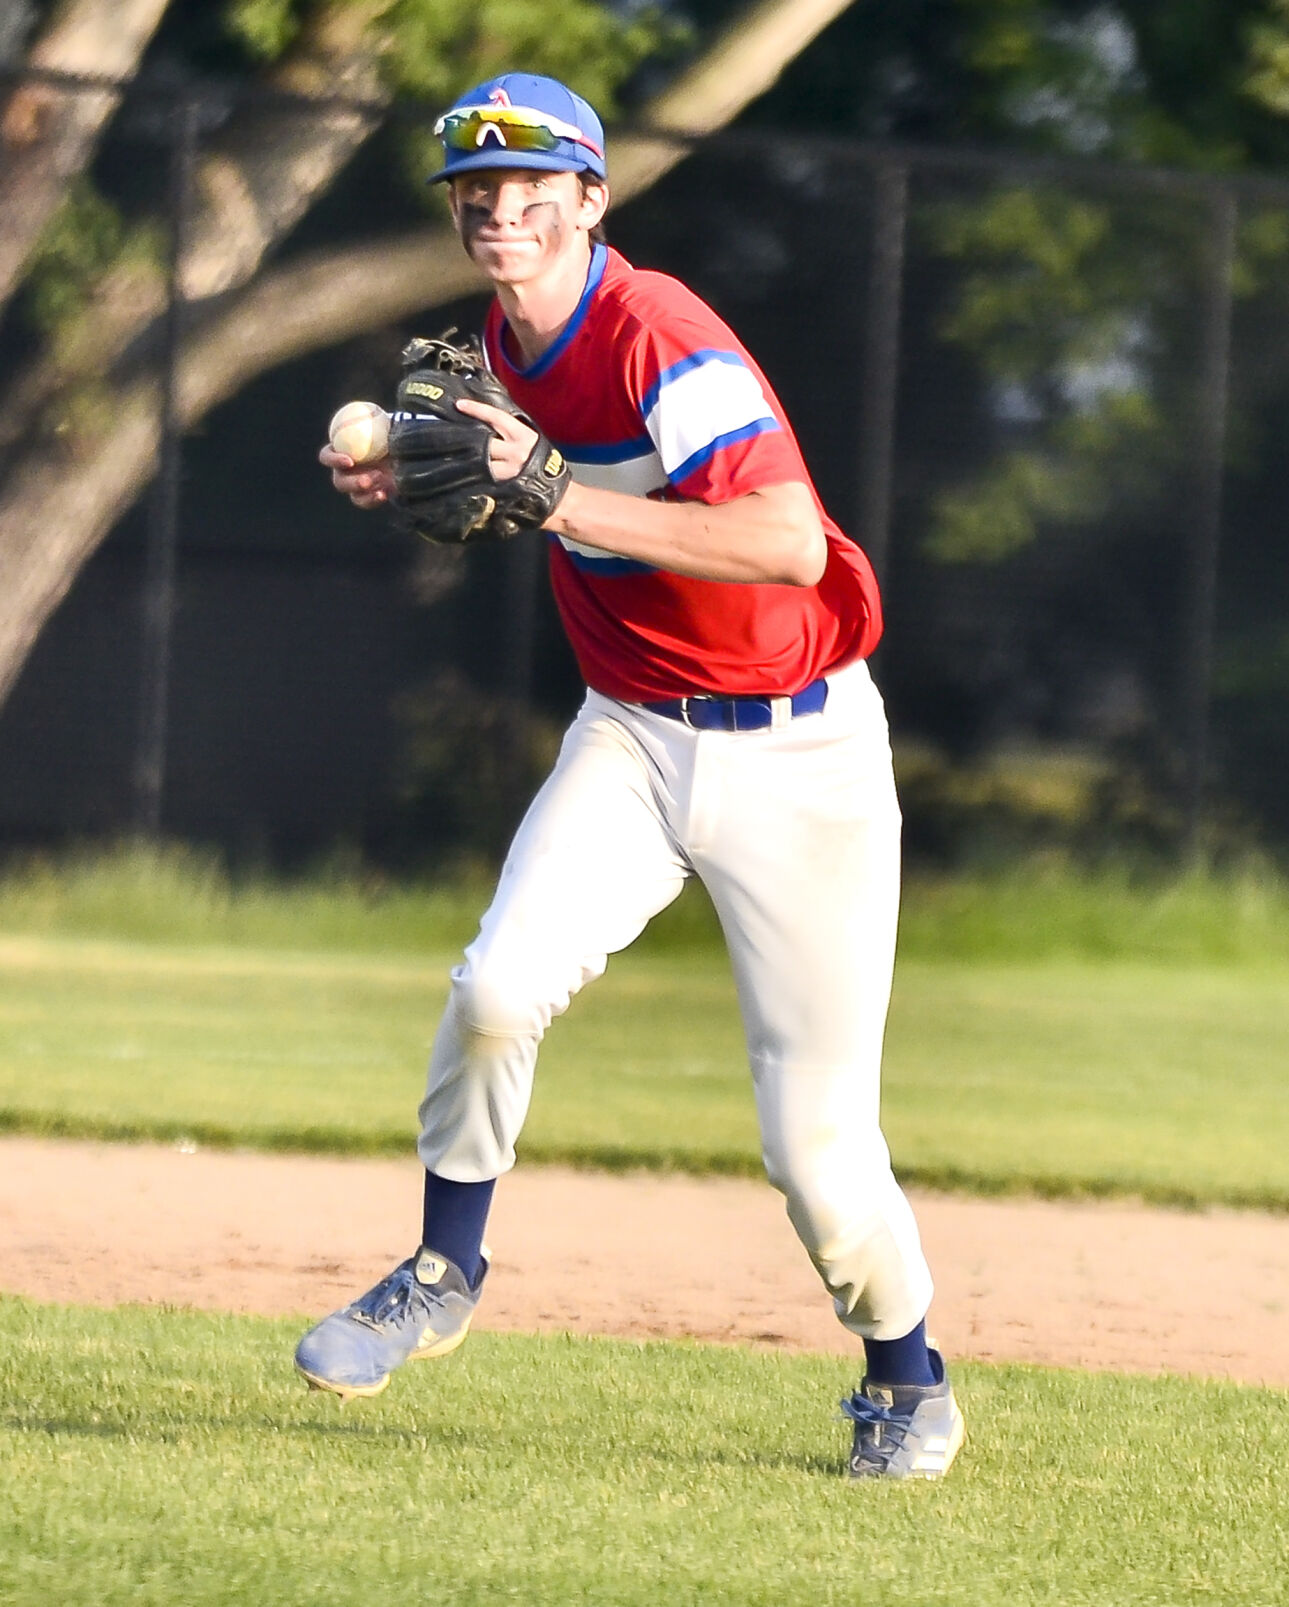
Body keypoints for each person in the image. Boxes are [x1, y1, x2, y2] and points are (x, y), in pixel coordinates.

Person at [295, 71, 964, 1482]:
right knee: (492, 989)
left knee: (815, 1147)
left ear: (592, 199)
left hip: (802, 755)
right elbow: (517, 484)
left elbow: (784, 541)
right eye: (476, 187)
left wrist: (555, 496)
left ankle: (906, 1377)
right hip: (631, 733)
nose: (501, 206)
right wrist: (429, 474)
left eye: (535, 181)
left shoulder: (656, 332)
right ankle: (440, 1267)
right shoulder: (492, 350)